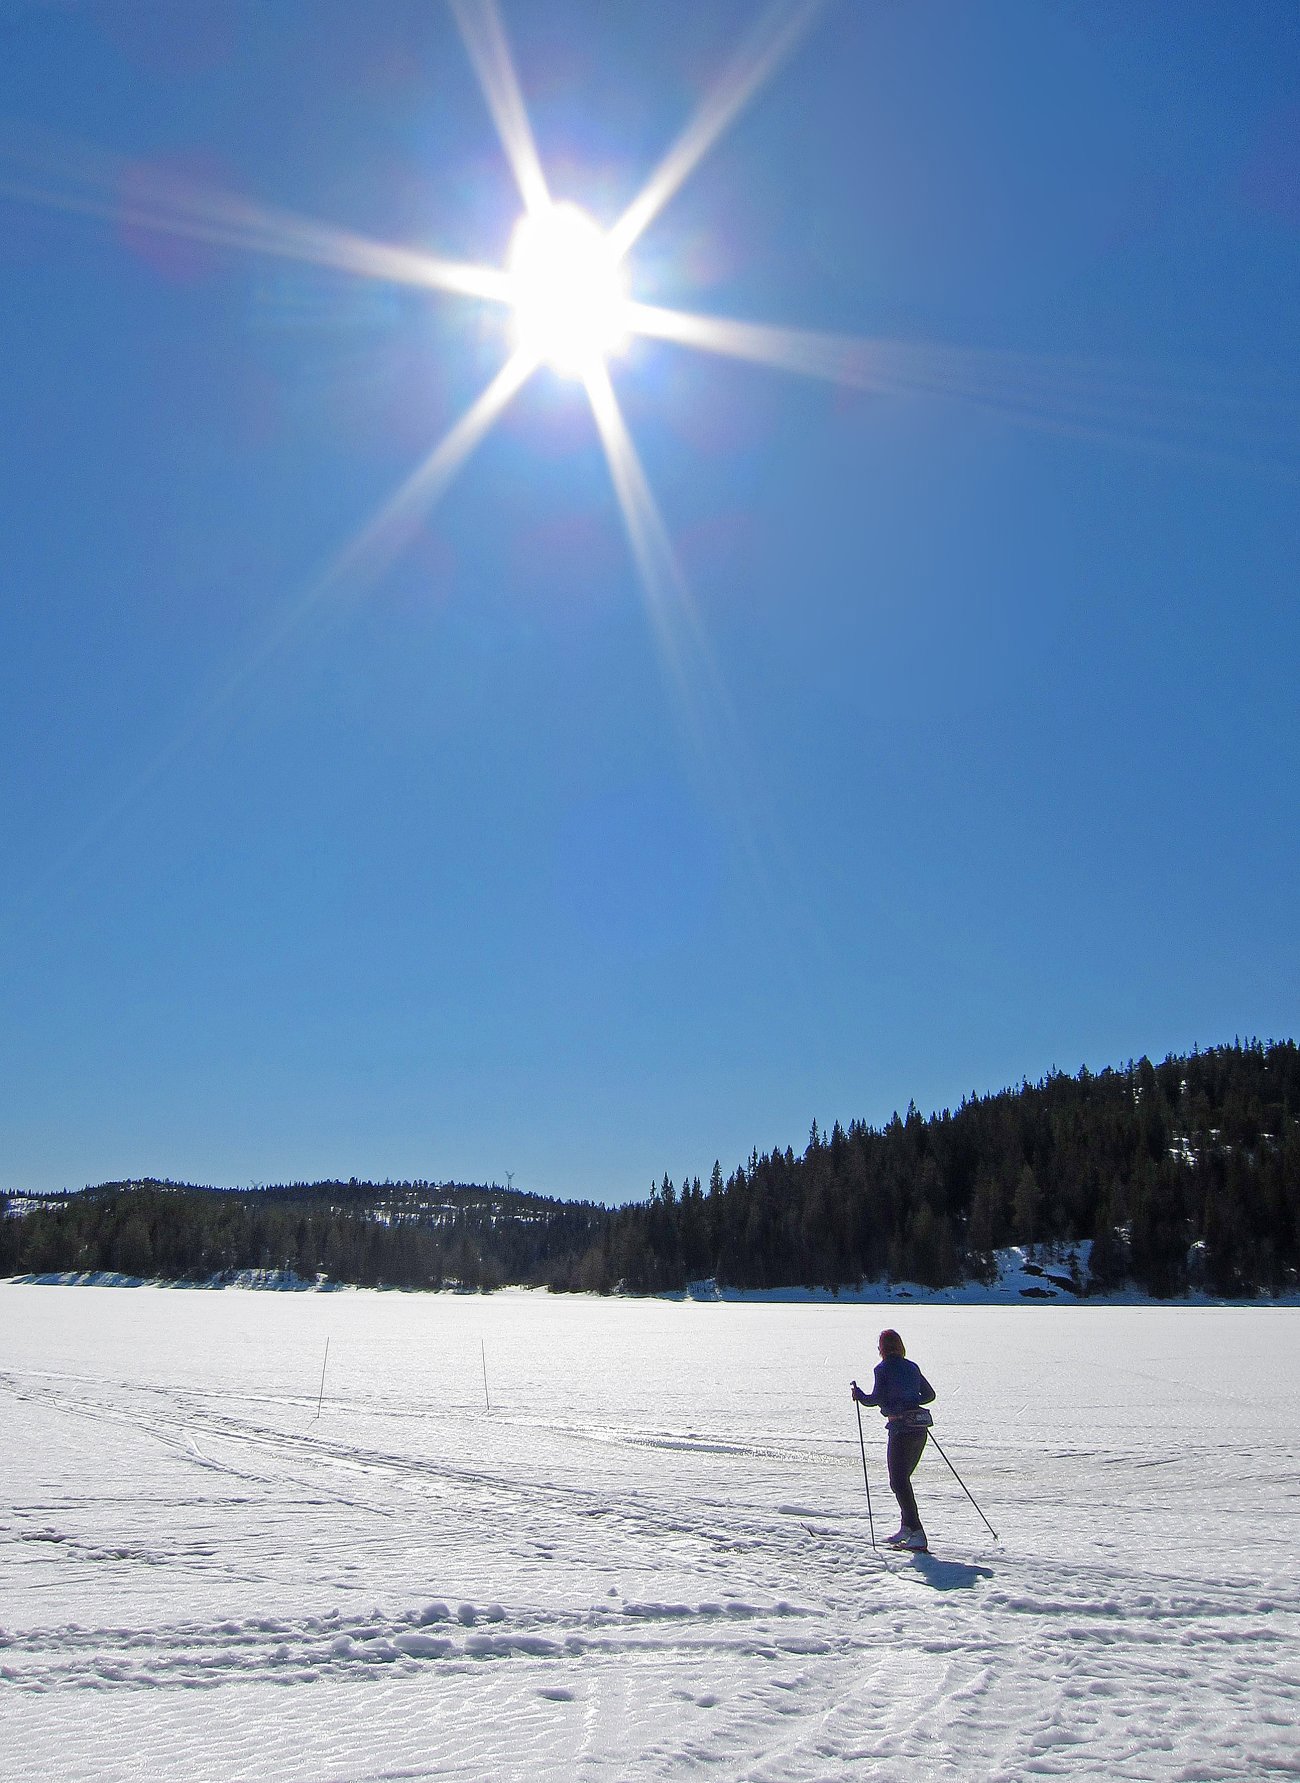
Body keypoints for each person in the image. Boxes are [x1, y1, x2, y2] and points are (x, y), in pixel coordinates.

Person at [851, 1329, 935, 1551]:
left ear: (882, 1348)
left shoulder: (882, 1369)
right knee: (902, 1480)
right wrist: (909, 1399)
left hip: (900, 1429)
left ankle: (917, 1533)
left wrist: (860, 1396)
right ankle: (907, 1527)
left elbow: (875, 1399)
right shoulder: (912, 1366)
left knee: (898, 1481)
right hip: (919, 1429)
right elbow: (929, 1395)